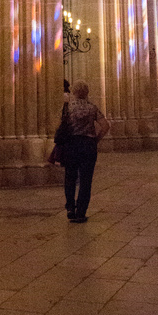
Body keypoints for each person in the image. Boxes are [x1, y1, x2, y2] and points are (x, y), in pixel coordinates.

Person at [63, 80, 108, 223]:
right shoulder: (92, 107)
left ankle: (70, 207)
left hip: (72, 144)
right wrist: (96, 139)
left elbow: (59, 125)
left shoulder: (68, 107)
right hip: (88, 145)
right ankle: (81, 212)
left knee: (70, 177)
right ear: (87, 92)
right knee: (85, 180)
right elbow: (105, 125)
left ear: (74, 92)